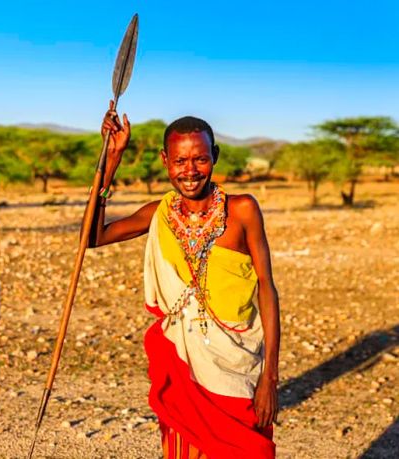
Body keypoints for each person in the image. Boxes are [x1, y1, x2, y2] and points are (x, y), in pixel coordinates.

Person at [88, 102, 279, 458]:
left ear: (215, 156)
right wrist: (111, 160)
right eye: (180, 161)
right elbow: (93, 236)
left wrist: (270, 378)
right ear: (165, 160)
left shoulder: (242, 210)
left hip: (238, 363)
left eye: (200, 159)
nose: (190, 171)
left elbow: (267, 287)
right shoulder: (158, 213)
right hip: (181, 359)